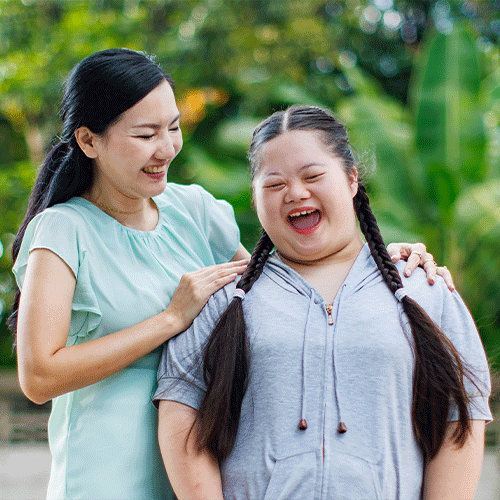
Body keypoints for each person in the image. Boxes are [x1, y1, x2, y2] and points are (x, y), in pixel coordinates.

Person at [10, 49, 446, 499]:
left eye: (173, 128)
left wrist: (379, 257)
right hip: (106, 478)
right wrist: (170, 320)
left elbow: (280, 282)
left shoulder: (194, 211)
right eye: (145, 134)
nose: (166, 149)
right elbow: (40, 375)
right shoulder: (63, 229)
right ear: (88, 140)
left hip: (203, 471)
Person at [154, 105, 492, 500]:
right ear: (255, 197)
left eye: (313, 176)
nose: (296, 193)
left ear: (351, 179)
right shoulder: (222, 300)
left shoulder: (425, 290)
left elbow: (460, 419)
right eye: (274, 184)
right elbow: (181, 420)